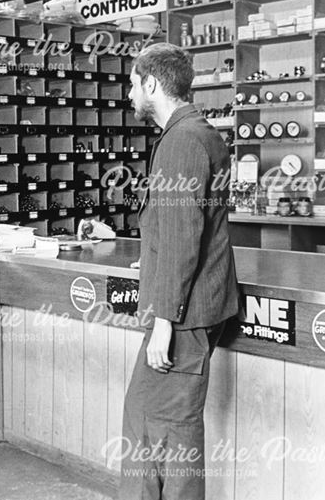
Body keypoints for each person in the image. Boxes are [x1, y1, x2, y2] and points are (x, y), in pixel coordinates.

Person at [119, 43, 239, 500]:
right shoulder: (197, 133)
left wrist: (164, 321)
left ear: (151, 84)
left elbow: (185, 235)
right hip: (191, 303)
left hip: (183, 316)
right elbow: (184, 228)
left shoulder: (182, 141)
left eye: (133, 82)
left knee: (166, 430)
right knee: (157, 422)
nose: (129, 92)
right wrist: (153, 257)